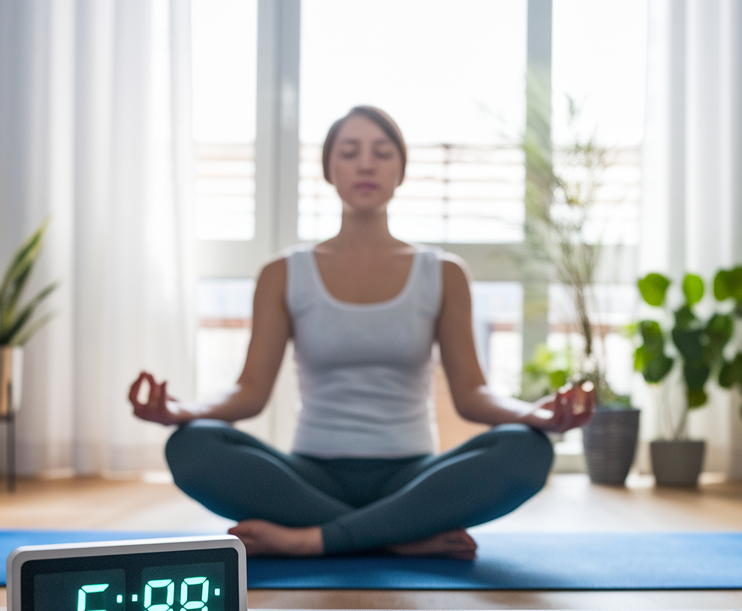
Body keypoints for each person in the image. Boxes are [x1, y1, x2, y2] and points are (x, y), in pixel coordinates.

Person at [130, 106, 594, 559]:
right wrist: (181, 410)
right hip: (309, 475)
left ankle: (311, 540)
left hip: (412, 477)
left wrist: (532, 415)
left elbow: (473, 395)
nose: (366, 164)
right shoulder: (283, 273)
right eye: (349, 152)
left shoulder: (444, 273)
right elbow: (249, 392)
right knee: (192, 444)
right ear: (330, 169)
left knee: (525, 450)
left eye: (382, 152)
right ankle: (399, 532)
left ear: (401, 169)